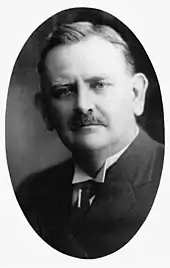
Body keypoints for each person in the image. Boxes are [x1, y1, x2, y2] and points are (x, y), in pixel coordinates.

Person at [16, 21, 164, 259]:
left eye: (100, 85)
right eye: (64, 90)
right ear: (45, 110)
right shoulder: (31, 194)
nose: (83, 105)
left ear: (136, 94)